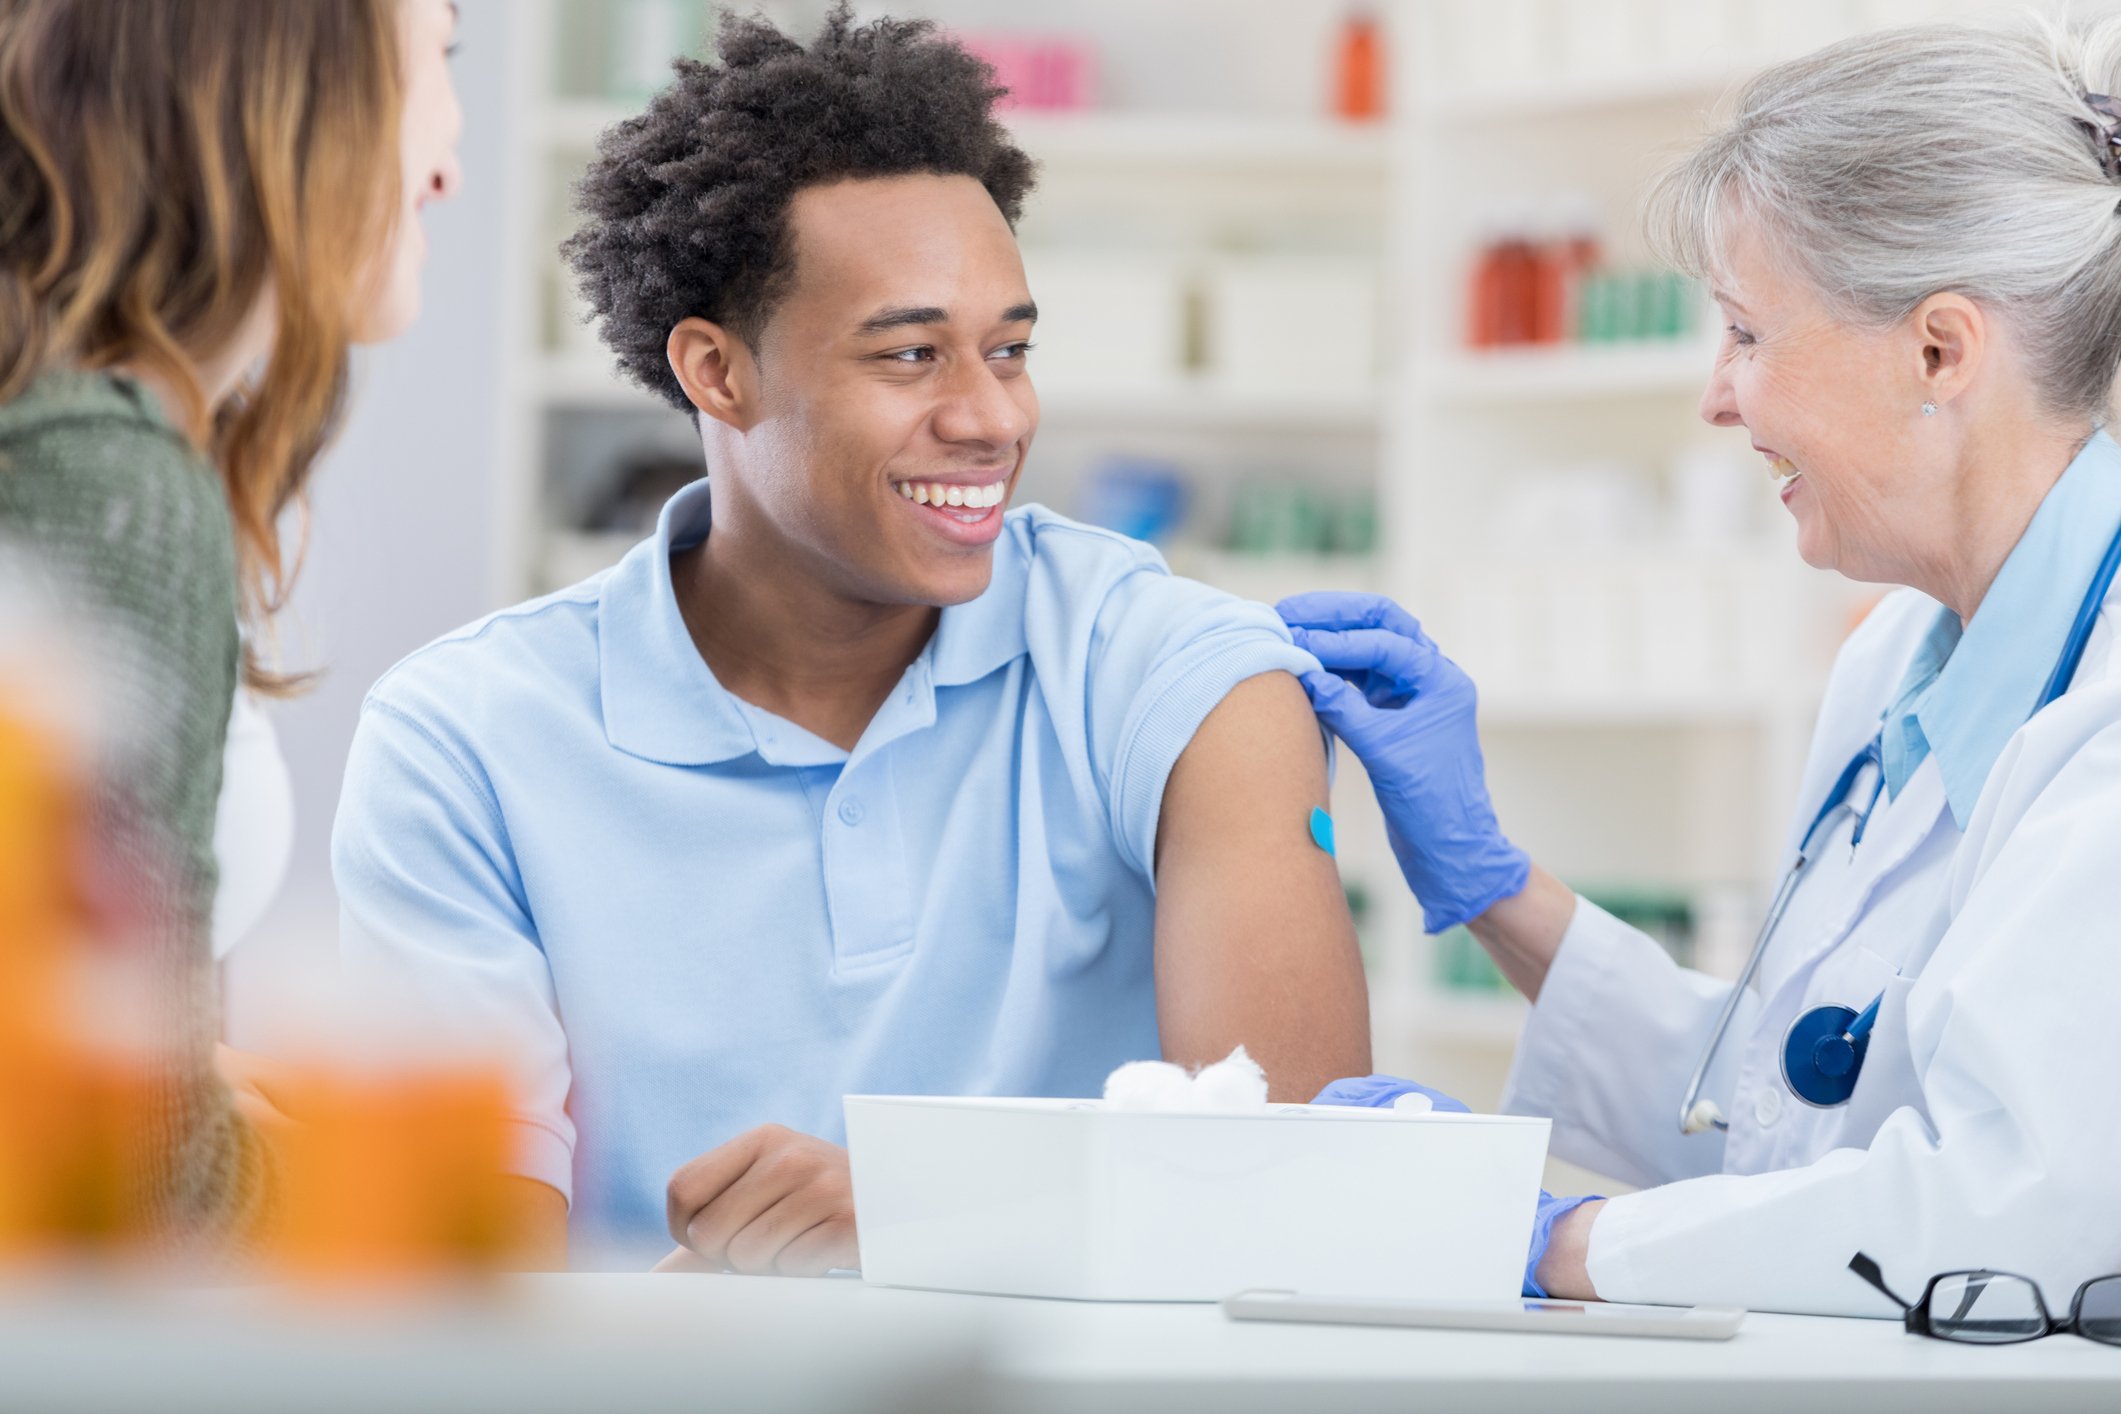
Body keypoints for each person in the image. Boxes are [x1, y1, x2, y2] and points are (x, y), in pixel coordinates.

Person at [332, 6, 1371, 1273]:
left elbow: (1309, 1201)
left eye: (1010, 349)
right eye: (913, 353)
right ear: (718, 373)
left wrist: (931, 1225)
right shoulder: (467, 738)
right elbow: (464, 1293)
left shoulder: (1177, 680)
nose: (990, 417)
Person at [1294, 11, 2121, 1316]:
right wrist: (1492, 883)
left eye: (1745, 333)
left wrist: (1552, 1241)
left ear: (1940, 349)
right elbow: (1788, 1104)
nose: (1715, 397)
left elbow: (2022, 1210)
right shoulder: (1898, 661)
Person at [0, 0, 465, 1256]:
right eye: (443, 62)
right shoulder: (108, 480)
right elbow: (125, 1156)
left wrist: (199, 1085)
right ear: (294, 83)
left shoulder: (80, 444)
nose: (453, 157)